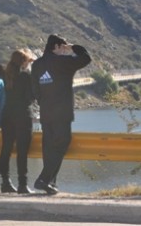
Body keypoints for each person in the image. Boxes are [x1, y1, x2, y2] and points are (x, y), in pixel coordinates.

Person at [31, 34, 91, 195]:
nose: (65, 51)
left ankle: (50, 182)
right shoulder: (61, 62)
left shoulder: (36, 65)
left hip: (46, 113)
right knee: (62, 144)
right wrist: (74, 48)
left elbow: (35, 90)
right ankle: (43, 179)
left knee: (49, 148)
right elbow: (85, 59)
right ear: (56, 47)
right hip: (62, 113)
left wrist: (44, 103)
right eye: (62, 48)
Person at [0, 48, 36, 194]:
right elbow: (31, 97)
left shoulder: (4, 75)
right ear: (23, 62)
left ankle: (5, 182)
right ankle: (22, 184)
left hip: (7, 116)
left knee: (6, 148)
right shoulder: (25, 76)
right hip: (23, 116)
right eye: (27, 61)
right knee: (22, 151)